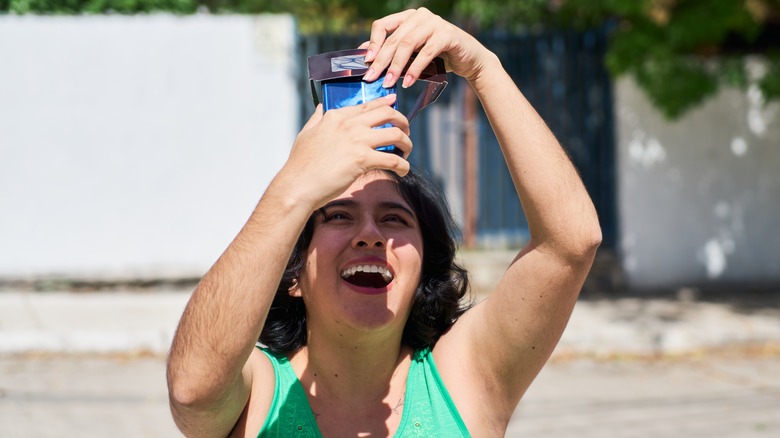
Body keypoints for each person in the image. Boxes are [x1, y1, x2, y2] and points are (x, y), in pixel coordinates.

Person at [166, 8, 601, 437]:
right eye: (338, 215)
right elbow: (191, 392)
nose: (370, 236)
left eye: (394, 219)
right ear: (293, 273)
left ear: (424, 268)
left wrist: (483, 66)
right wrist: (292, 187)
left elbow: (571, 242)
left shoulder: (465, 377)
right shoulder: (259, 391)